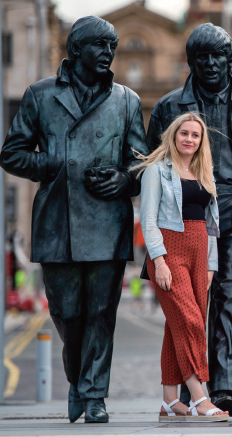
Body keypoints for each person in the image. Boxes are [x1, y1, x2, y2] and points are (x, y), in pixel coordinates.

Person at [0, 16, 148, 423]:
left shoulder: (126, 100)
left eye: (112, 47)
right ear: (77, 49)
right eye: (100, 46)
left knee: (101, 312)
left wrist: (122, 179)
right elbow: (11, 152)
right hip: (57, 222)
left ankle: (94, 394)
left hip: (107, 220)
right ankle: (77, 380)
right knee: (66, 313)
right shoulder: (41, 95)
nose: (108, 54)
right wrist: (50, 163)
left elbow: (140, 163)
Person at [147, 23, 232, 416]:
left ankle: (221, 388)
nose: (209, 63)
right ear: (190, 61)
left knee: (228, 299)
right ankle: (186, 392)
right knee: (185, 309)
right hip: (183, 217)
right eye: (201, 56)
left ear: (230, 59)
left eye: (217, 56)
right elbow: (153, 162)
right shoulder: (169, 106)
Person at [135, 113, 227, 422]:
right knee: (190, 321)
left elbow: (211, 223)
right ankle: (200, 396)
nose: (189, 139)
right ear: (173, 136)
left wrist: (211, 263)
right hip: (169, 250)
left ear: (201, 141)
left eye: (195, 135)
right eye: (184, 133)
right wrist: (158, 260)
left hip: (200, 252)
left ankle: (169, 400)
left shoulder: (203, 172)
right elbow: (147, 220)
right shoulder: (156, 172)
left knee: (179, 322)